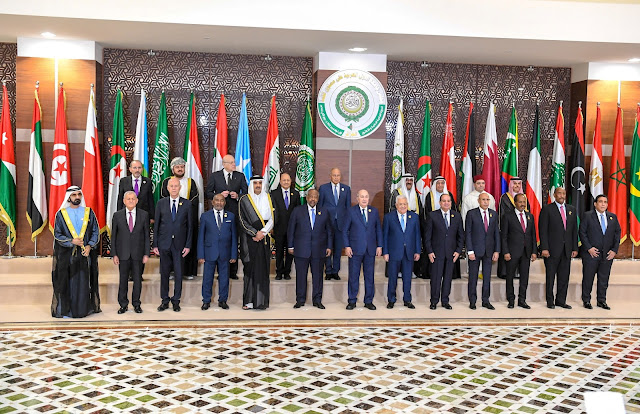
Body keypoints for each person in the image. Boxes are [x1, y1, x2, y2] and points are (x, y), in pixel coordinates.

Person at [51, 186, 101, 318]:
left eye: (79, 194)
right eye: (74, 195)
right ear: (68, 197)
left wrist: (90, 246)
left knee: (84, 282)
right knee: (68, 283)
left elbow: (95, 232)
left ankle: (82, 310)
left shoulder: (89, 212)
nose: (77, 197)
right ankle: (67, 311)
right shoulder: (61, 214)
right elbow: (57, 235)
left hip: (85, 255)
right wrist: (71, 241)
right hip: (67, 256)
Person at [288, 188, 333, 309]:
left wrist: (329, 246)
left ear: (318, 199)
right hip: (301, 250)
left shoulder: (324, 211)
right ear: (307, 198)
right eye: (311, 197)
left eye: (315, 197)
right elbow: (291, 229)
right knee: (301, 276)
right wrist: (290, 245)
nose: (313, 199)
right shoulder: (297, 211)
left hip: (319, 250)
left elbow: (329, 231)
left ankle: (317, 300)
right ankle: (300, 300)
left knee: (318, 277)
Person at [153, 177, 193, 312]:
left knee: (179, 274)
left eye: (176, 186)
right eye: (171, 186)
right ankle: (164, 300)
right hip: (164, 244)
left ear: (180, 188)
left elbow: (190, 227)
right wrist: (155, 244)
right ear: (168, 188)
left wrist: (188, 245)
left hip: (180, 245)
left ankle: (176, 301)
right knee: (164, 274)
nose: (174, 188)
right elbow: (157, 225)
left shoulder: (187, 204)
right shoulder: (161, 203)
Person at [206, 154, 248, 280]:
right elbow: (208, 193)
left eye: (234, 162)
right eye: (231, 163)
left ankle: (233, 272)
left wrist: (238, 196)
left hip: (235, 214)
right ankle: (221, 272)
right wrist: (218, 195)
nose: (234, 164)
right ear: (224, 164)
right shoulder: (215, 176)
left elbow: (246, 193)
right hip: (219, 214)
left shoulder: (240, 176)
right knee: (221, 242)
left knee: (234, 240)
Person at [579, 194, 621, 310]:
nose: (603, 204)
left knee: (603, 279)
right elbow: (582, 232)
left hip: (607, 255)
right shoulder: (587, 216)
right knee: (588, 278)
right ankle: (586, 300)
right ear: (595, 204)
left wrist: (614, 250)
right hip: (591, 254)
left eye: (605, 202)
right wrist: (589, 248)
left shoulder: (612, 217)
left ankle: (601, 301)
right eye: (600, 202)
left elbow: (617, 234)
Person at [238, 175, 274, 310]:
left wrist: (263, 232)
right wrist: (254, 233)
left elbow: (273, 218)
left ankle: (261, 302)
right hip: (249, 239)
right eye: (255, 183)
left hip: (264, 238)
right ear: (251, 185)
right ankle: (248, 301)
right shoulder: (244, 199)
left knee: (263, 269)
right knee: (250, 269)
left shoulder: (269, 198)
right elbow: (241, 220)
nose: (258, 185)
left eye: (260, 183)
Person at [343, 189, 382, 310]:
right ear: (357, 198)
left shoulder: (374, 211)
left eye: (366, 197)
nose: (364, 199)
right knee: (353, 276)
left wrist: (380, 246)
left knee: (369, 277)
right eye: (362, 197)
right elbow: (344, 230)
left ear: (368, 198)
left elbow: (378, 229)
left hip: (370, 250)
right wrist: (347, 246)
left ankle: (368, 301)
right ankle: (352, 300)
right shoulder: (351, 211)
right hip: (355, 250)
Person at [539, 187, 578, 309]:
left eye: (564, 193)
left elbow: (574, 231)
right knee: (550, 277)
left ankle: (561, 300)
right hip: (551, 250)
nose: (562, 196)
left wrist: (574, 248)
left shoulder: (571, 209)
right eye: (559, 193)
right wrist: (544, 248)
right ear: (554, 195)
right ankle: (550, 301)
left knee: (564, 277)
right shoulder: (547, 209)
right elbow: (543, 230)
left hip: (567, 250)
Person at [111, 191, 150, 314]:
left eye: (133, 199)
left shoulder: (144, 215)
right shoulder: (117, 215)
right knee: (123, 280)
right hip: (123, 254)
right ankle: (123, 305)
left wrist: (146, 253)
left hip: (138, 253)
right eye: (128, 199)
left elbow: (146, 235)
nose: (131, 201)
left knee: (137, 280)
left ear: (137, 201)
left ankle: (136, 304)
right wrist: (114, 254)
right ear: (124, 201)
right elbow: (113, 236)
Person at [161, 157, 200, 280]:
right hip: (171, 220)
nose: (180, 169)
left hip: (186, 220)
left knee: (187, 244)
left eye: (182, 167)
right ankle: (171, 271)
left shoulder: (190, 182)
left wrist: (183, 212)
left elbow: (194, 200)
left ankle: (188, 272)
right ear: (173, 169)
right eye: (177, 167)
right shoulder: (167, 182)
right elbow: (164, 199)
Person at [198, 194, 237, 310]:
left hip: (225, 252)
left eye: (221, 200)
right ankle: (206, 300)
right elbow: (201, 237)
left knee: (224, 278)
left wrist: (233, 254)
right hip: (209, 252)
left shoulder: (231, 216)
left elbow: (234, 237)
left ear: (225, 202)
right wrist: (200, 255)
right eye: (217, 200)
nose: (219, 203)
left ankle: (223, 300)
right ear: (212, 202)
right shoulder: (205, 216)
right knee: (207, 278)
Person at [424, 193, 464, 310]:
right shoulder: (432, 215)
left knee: (447, 279)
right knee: (436, 279)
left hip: (451, 254)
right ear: (440, 203)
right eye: (444, 201)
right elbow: (427, 236)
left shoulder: (457, 216)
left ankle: (445, 301)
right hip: (436, 254)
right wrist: (429, 251)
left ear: (451, 203)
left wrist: (458, 251)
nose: (446, 203)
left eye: (448, 201)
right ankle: (434, 301)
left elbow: (461, 236)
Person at [117, 160, 154, 281]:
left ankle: (138, 274)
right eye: (135, 167)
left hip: (142, 218)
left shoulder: (147, 181)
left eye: (139, 168)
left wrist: (152, 216)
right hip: (127, 217)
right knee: (126, 245)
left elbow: (150, 200)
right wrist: (119, 216)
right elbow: (120, 199)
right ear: (130, 169)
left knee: (140, 245)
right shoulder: (124, 181)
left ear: (142, 169)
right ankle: (127, 273)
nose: (137, 170)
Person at [383, 195, 421, 309]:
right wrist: (385, 252)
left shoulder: (414, 217)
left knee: (407, 278)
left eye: (405, 204)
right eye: (400, 204)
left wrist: (417, 251)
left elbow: (417, 235)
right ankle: (391, 299)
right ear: (396, 205)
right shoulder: (389, 217)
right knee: (392, 278)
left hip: (409, 252)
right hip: (394, 252)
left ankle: (407, 300)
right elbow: (385, 236)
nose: (403, 206)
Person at [501, 193, 537, 309]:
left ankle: (522, 300)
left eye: (524, 202)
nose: (522, 204)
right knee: (510, 277)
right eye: (520, 202)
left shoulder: (530, 216)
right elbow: (504, 236)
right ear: (515, 203)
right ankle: (511, 300)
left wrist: (534, 251)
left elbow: (532, 235)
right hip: (512, 252)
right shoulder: (507, 216)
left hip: (526, 252)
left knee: (524, 277)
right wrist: (505, 251)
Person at [465, 192, 500, 310]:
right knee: (473, 277)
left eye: (487, 200)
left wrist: (497, 251)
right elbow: (468, 233)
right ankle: (472, 301)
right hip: (475, 251)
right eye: (483, 200)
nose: (485, 202)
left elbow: (496, 233)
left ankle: (486, 300)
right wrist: (470, 250)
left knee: (487, 277)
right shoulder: (471, 214)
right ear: (479, 201)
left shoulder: (493, 214)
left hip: (489, 251)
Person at [424, 176, 461, 280]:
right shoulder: (429, 196)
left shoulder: (450, 196)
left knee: (448, 278)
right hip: (436, 240)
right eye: (438, 183)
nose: (440, 185)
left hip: (450, 246)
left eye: (442, 183)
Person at [318, 168, 351, 280]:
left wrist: (347, 224)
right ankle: (328, 271)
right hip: (327, 223)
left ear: (340, 176)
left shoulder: (346, 189)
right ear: (330, 176)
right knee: (327, 247)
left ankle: (335, 271)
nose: (336, 177)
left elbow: (348, 208)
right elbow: (320, 206)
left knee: (337, 249)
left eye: (338, 175)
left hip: (340, 224)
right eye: (334, 175)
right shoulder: (323, 188)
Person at [497, 176, 528, 279]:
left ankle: (519, 273)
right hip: (509, 231)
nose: (517, 186)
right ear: (511, 185)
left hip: (521, 232)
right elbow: (502, 215)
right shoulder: (505, 197)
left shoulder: (524, 198)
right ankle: (505, 273)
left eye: (519, 184)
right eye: (515, 184)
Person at [271, 173, 300, 280]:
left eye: (288, 180)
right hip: (278, 228)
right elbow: (271, 211)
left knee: (290, 251)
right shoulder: (274, 193)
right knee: (279, 251)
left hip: (292, 229)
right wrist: (272, 227)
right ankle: (279, 272)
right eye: (284, 180)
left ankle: (287, 272)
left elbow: (298, 211)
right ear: (280, 181)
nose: (286, 182)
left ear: (291, 181)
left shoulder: (295, 194)